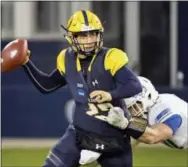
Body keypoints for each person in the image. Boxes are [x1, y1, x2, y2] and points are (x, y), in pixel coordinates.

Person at [19, 10, 145, 167]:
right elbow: (46, 86)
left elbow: (134, 85)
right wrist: (26, 62)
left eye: (93, 34)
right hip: (79, 134)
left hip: (113, 136)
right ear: (72, 37)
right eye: (83, 35)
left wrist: (110, 95)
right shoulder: (66, 58)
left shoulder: (111, 57)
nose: (89, 40)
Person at [79, 76, 188, 165]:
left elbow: (154, 136)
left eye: (132, 107)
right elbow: (128, 143)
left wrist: (126, 124)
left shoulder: (164, 109)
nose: (129, 113)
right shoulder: (149, 111)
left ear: (148, 97)